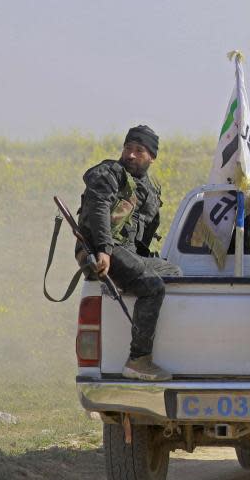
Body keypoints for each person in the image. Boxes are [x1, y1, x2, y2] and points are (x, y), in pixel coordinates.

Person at [77, 125, 181, 381]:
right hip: (103, 251)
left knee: (174, 272)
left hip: (127, 253)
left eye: (139, 150)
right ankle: (139, 360)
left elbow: (143, 234)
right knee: (152, 286)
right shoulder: (110, 172)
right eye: (128, 148)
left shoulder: (149, 189)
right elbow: (99, 207)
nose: (131, 155)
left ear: (151, 157)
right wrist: (104, 250)